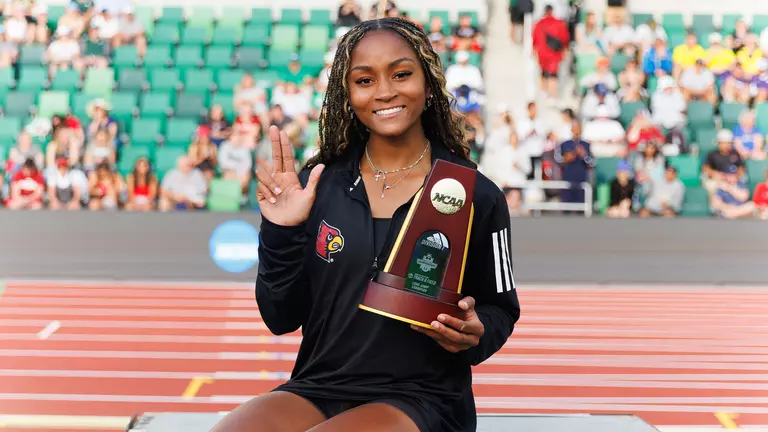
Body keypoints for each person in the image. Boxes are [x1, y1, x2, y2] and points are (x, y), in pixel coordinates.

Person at [212, 17, 521, 432]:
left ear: (428, 84)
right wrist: (281, 231)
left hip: (422, 398)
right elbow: (279, 317)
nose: (385, 91)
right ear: (348, 94)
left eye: (401, 74)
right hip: (318, 387)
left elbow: (500, 309)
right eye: (364, 80)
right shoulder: (316, 186)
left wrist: (476, 331)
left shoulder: (475, 195)